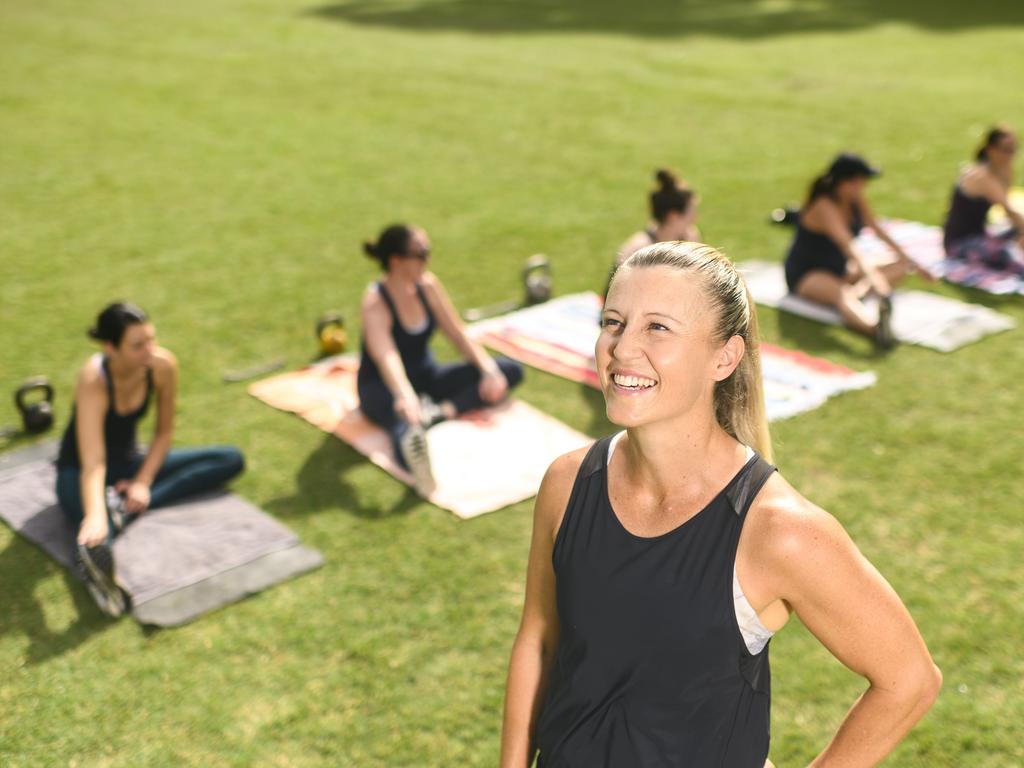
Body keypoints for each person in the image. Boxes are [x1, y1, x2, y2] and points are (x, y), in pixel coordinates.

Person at [500, 242, 941, 767]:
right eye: (613, 322)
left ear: (724, 357)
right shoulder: (568, 484)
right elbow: (539, 639)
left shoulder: (779, 531)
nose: (620, 349)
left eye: (657, 328)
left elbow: (908, 681)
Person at [56, 302, 245, 617]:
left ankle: (124, 511)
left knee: (229, 459)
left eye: (151, 340)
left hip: (129, 463)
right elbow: (93, 462)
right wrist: (95, 514)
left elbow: (163, 433)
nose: (150, 351)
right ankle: (100, 569)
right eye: (137, 346)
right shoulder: (93, 380)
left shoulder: (162, 365)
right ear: (110, 348)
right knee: (98, 533)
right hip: (79, 472)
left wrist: (143, 482)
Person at [358, 224, 524, 495]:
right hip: (382, 389)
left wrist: (488, 369)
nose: (428, 259)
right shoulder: (376, 302)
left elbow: (458, 333)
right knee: (405, 428)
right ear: (396, 260)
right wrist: (405, 395)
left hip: (427, 378)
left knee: (509, 371)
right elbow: (385, 355)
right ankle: (418, 463)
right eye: (421, 253)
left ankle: (440, 412)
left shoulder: (428, 286)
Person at [783, 153, 932, 347]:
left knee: (901, 265)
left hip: (841, 269)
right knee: (842, 295)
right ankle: (876, 330)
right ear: (845, 182)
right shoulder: (824, 205)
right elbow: (848, 245)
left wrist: (913, 262)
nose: (864, 186)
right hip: (809, 274)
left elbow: (877, 229)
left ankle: (860, 293)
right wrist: (874, 278)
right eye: (861, 181)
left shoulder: (854, 199)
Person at [943, 124, 1024, 275]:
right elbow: (1009, 211)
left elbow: (1007, 204)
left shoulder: (1000, 170)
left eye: (1014, 149)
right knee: (1011, 257)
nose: (1011, 155)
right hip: (959, 244)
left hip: (981, 233)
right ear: (990, 150)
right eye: (1006, 149)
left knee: (1015, 230)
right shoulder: (981, 176)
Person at [614, 169, 700, 273]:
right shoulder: (637, 250)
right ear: (673, 216)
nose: (695, 218)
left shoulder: (690, 237)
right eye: (691, 212)